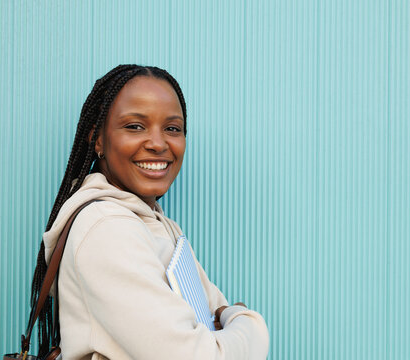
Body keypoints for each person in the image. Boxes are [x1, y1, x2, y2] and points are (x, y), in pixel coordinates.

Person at [29, 65, 269, 359]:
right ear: (99, 140)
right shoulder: (107, 229)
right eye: (135, 126)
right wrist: (246, 321)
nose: (158, 143)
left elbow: (211, 318)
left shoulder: (160, 225)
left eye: (172, 128)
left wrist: (222, 323)